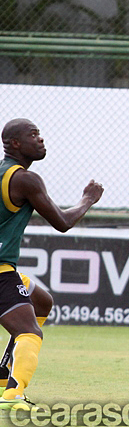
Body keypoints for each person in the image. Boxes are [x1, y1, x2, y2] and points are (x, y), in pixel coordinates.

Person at [0, 118, 103, 410]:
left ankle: (2, 376)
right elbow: (62, 222)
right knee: (30, 332)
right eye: (34, 135)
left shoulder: (4, 173)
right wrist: (87, 199)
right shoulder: (25, 179)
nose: (41, 139)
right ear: (15, 144)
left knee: (41, 302)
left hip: (6, 268)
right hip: (0, 271)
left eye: (40, 134)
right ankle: (12, 396)